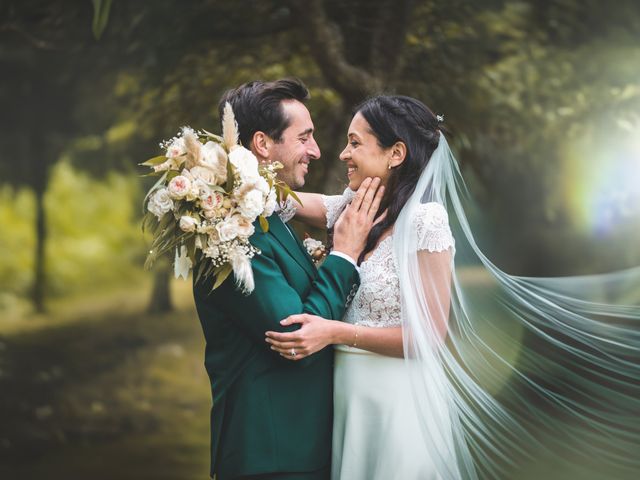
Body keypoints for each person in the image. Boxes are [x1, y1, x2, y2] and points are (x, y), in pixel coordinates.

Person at [266, 95, 640, 479]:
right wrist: (224, 178)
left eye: (356, 142)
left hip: (398, 397)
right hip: (350, 394)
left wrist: (335, 332)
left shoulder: (426, 221)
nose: (344, 154)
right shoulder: (354, 208)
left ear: (396, 153)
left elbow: (430, 334)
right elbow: (286, 200)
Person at [192, 78, 384, 480]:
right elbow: (296, 337)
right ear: (263, 144)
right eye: (304, 138)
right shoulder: (231, 230)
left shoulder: (267, 215)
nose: (315, 151)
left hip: (303, 445)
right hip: (271, 453)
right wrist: (344, 256)